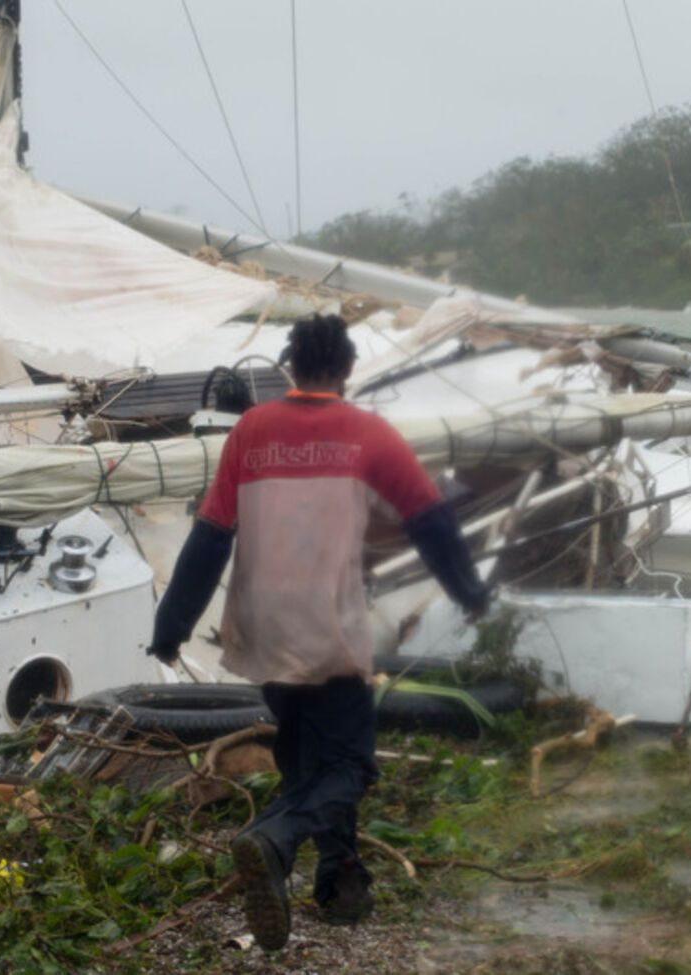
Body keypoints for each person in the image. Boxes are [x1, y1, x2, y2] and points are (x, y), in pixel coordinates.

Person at [149, 314, 489, 951]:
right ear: (348, 369)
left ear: (290, 366)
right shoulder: (366, 433)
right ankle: (274, 841)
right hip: (328, 625)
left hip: (263, 626)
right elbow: (430, 522)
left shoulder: (252, 430)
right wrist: (469, 593)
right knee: (351, 767)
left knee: (307, 756)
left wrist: (171, 628)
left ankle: (339, 886)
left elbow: (210, 534)